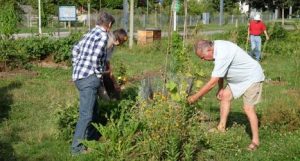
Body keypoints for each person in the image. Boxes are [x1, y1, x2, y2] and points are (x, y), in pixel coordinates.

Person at [187, 40, 265, 151]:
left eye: (203, 57)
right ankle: (221, 127)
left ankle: (255, 141)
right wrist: (221, 88)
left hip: (251, 77)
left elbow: (212, 82)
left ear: (209, 50)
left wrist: (195, 97)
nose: (203, 60)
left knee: (248, 108)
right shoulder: (216, 48)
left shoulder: (223, 52)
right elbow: (221, 72)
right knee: (225, 96)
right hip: (238, 80)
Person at [71, 12, 115, 155]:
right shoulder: (103, 36)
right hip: (89, 78)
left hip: (79, 76)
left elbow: (75, 49)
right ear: (108, 25)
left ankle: (93, 136)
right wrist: (97, 73)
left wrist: (77, 65)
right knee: (86, 115)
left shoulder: (90, 32)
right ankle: (76, 149)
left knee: (94, 109)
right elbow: (96, 57)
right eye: (111, 26)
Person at [99, 29, 128, 100]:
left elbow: (107, 61)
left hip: (102, 67)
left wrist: (113, 78)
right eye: (121, 42)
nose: (120, 44)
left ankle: (111, 97)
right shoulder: (104, 43)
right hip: (95, 70)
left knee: (108, 80)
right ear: (117, 40)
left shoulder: (112, 47)